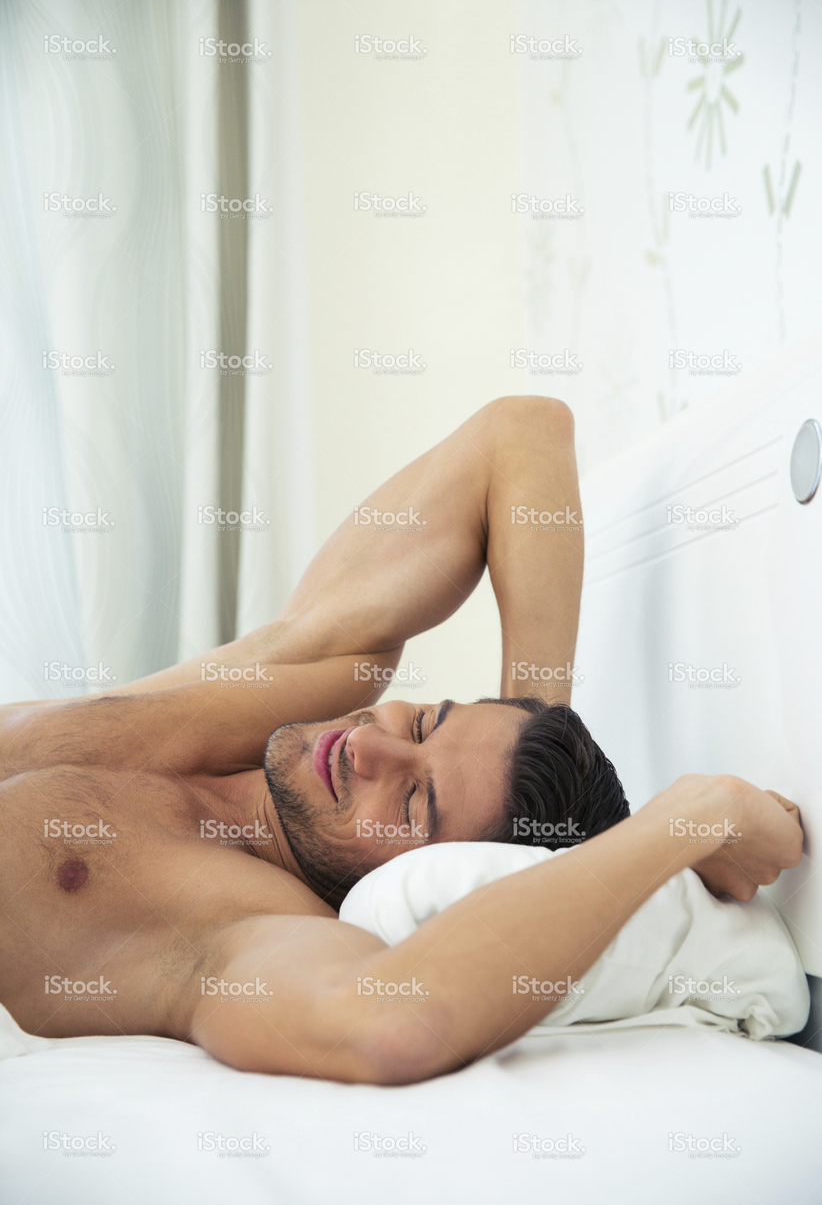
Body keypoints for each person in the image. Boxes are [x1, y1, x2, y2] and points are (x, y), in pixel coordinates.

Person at [0, 397, 802, 1082]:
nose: (371, 748)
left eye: (415, 800)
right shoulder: (297, 687)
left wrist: (688, 818)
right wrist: (531, 715)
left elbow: (387, 1022)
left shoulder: (243, 921)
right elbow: (521, 434)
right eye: (425, 721)